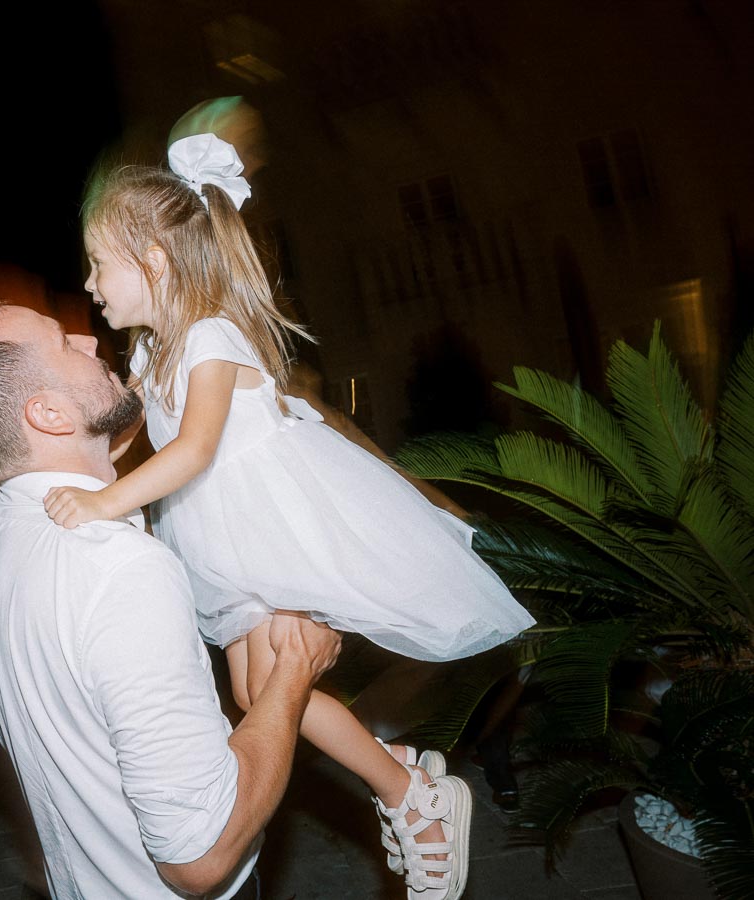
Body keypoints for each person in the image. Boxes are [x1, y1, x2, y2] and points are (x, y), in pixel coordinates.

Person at [43, 133, 537, 900]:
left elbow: (197, 448)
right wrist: (73, 464)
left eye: (100, 262)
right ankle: (405, 775)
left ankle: (416, 799)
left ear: (154, 261)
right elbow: (131, 439)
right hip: (221, 539)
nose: (89, 280)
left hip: (279, 526)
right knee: (253, 697)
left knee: (276, 680)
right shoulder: (150, 352)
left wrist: (105, 502)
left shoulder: (211, 337)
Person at [0, 302, 345, 899]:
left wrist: (116, 434)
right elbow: (201, 859)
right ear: (49, 414)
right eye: (63, 343)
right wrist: (294, 672)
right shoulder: (119, 570)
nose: (89, 339)